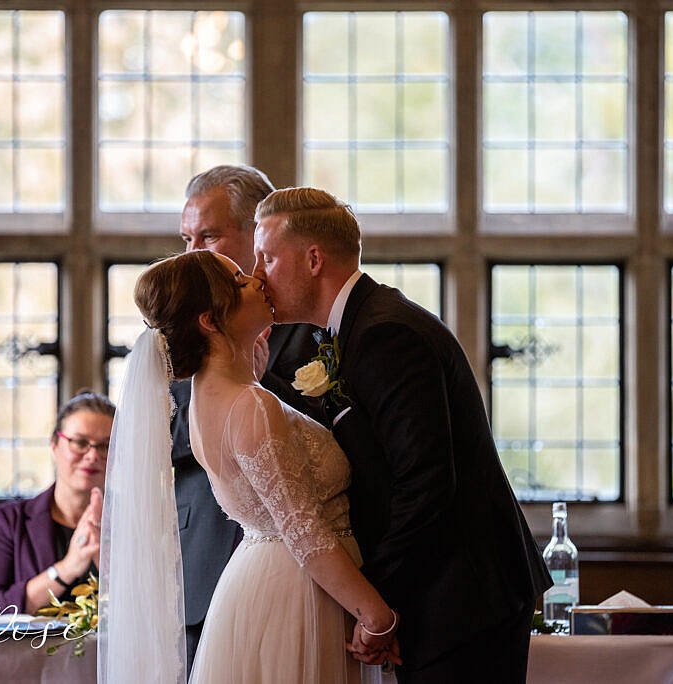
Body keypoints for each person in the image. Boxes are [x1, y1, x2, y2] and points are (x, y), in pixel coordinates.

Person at [252, 187, 553, 683]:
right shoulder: (355, 328)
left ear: (312, 259)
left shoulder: (385, 334)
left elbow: (426, 484)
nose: (258, 275)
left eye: (266, 258)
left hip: (463, 596)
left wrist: (374, 603)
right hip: (442, 591)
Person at [97, 250, 400, 684]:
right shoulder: (250, 406)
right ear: (209, 319)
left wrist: (252, 373)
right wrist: (376, 615)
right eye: (240, 282)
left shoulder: (214, 395)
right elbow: (303, 531)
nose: (258, 280)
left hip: (268, 581)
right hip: (297, 593)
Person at [172, 164, 323, 673]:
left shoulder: (310, 324)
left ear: (256, 234)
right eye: (186, 237)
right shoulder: (180, 329)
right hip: (203, 560)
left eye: (209, 236)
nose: (193, 252)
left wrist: (257, 388)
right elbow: (165, 437)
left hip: (302, 569)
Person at [0, 391, 114, 617]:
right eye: (80, 442)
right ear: (55, 445)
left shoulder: (130, 524)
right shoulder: (9, 520)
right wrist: (66, 569)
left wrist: (111, 571)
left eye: (105, 446)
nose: (92, 455)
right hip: (29, 652)